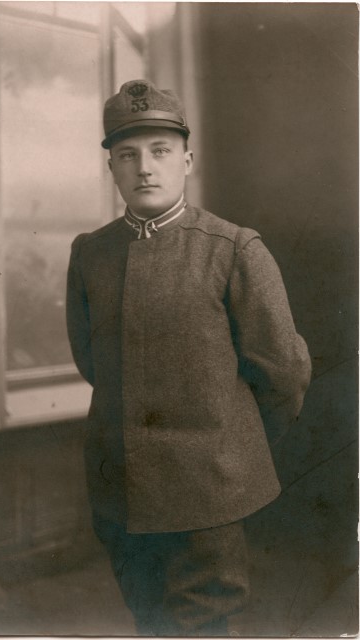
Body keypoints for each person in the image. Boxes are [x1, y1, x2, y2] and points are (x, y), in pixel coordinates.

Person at [66, 79, 311, 636]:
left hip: (208, 491)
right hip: (122, 488)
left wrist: (229, 447)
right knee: (148, 618)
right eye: (127, 155)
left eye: (160, 151)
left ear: (187, 160)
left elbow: (284, 375)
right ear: (111, 168)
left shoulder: (232, 248)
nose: (144, 168)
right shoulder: (91, 254)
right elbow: (92, 363)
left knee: (201, 625)